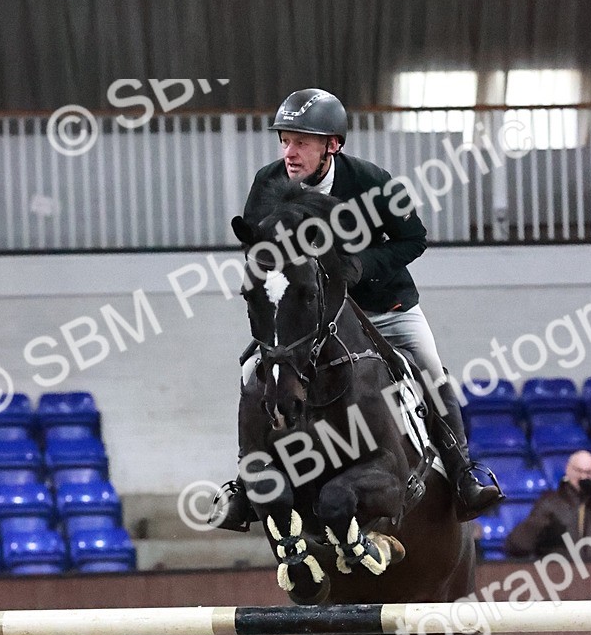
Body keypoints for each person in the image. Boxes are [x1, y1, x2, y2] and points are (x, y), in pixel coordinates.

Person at [215, 86, 504, 531]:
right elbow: (259, 249)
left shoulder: (373, 181)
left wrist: (361, 266)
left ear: (332, 145)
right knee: (253, 369)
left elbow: (414, 238)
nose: (289, 153)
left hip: (384, 305)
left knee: (429, 367)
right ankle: (246, 480)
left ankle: (463, 472)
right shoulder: (268, 183)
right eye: (285, 141)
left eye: (301, 142)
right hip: (310, 317)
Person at [504, 449, 591, 559]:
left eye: (588, 473)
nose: (583, 477)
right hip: (558, 571)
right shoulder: (550, 502)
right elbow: (517, 544)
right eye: (578, 471)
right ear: (568, 469)